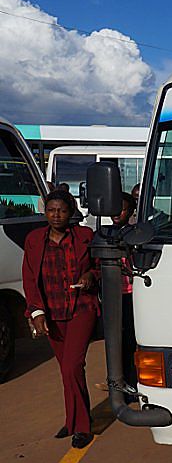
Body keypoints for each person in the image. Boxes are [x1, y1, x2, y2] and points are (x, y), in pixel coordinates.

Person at [22, 190, 99, 449]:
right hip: (51, 313)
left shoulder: (85, 237)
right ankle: (74, 418)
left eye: (62, 210)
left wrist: (91, 275)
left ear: (71, 212)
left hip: (81, 309)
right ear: (45, 212)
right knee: (66, 370)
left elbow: (100, 266)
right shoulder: (34, 240)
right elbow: (30, 279)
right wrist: (36, 312)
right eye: (51, 210)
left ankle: (81, 427)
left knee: (72, 366)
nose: (56, 215)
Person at [95, 193, 138, 400]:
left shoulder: (136, 233)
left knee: (131, 341)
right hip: (112, 296)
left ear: (130, 211)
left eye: (122, 209)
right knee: (114, 342)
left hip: (130, 295)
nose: (117, 213)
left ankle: (131, 383)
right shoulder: (104, 233)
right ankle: (118, 382)